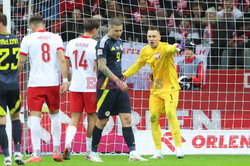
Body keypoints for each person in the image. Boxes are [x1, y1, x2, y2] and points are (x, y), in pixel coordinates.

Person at [88, 18, 148, 162]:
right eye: (116, 31)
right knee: (103, 120)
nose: (119, 33)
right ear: (109, 29)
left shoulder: (120, 42)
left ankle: (133, 153)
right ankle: (93, 153)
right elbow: (101, 66)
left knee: (127, 118)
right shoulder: (103, 42)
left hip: (119, 84)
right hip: (106, 86)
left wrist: (120, 79)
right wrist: (117, 80)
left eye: (121, 30)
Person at [123, 26, 185, 159]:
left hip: (170, 87)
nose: (151, 39)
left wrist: (179, 46)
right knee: (153, 118)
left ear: (159, 38)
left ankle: (178, 148)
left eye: (154, 36)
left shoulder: (164, 47)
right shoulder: (145, 51)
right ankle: (158, 151)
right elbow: (137, 66)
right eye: (149, 36)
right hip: (156, 87)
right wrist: (124, 75)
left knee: (170, 113)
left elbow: (173, 47)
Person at [18, 15, 68, 163]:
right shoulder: (56, 37)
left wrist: (13, 78)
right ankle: (57, 151)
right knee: (54, 116)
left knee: (35, 117)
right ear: (43, 24)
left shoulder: (28, 39)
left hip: (35, 83)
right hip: (52, 82)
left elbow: (21, 62)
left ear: (31, 26)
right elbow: (62, 59)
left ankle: (36, 154)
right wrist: (65, 80)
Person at [63, 19, 100, 160]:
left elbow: (66, 63)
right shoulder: (95, 44)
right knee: (92, 117)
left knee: (74, 118)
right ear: (95, 29)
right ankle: (89, 151)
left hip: (76, 83)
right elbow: (97, 67)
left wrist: (66, 81)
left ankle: (67, 145)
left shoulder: (72, 43)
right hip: (90, 82)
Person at [0, 13, 24, 166]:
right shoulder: (17, 39)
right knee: (16, 118)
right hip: (14, 85)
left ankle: (7, 157)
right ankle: (18, 153)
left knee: (1, 122)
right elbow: (21, 62)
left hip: (0, 86)